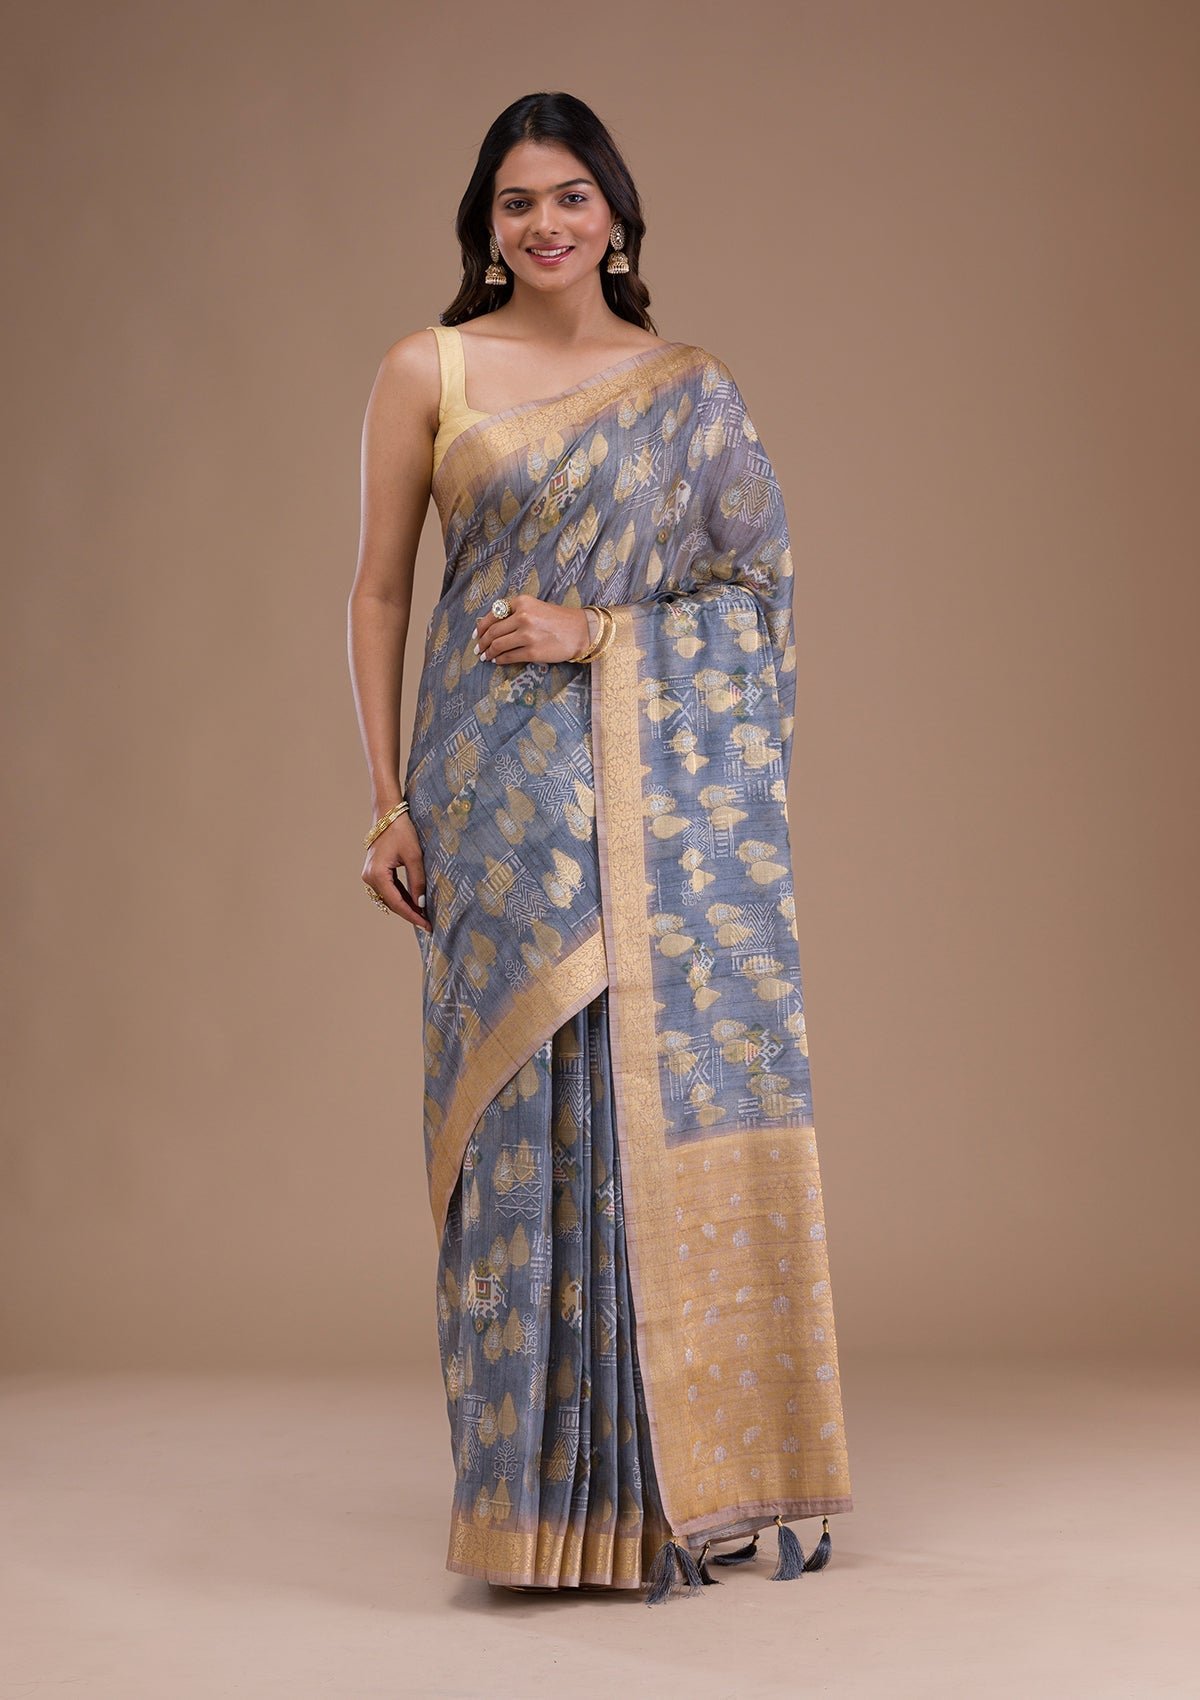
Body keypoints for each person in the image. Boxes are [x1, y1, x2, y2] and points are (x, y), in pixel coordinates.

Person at [347, 91, 853, 1605]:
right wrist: (384, 799)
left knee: (635, 1117)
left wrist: (600, 631)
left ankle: (661, 1487)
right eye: (516, 202)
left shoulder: (691, 393)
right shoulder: (428, 369)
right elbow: (380, 594)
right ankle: (529, 1506)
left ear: (617, 215)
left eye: (571, 195)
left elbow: (757, 598)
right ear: (484, 225)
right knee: (515, 1128)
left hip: (648, 811)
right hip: (489, 807)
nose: (545, 224)